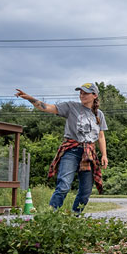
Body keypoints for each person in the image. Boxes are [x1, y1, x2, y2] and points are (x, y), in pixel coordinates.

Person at [15, 83, 108, 213]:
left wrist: (104, 155)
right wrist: (30, 99)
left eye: (86, 93)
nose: (82, 95)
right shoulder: (71, 107)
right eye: (81, 93)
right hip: (71, 151)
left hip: (89, 154)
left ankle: (74, 217)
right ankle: (51, 215)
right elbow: (48, 107)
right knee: (64, 185)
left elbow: (101, 136)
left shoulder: (99, 114)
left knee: (85, 192)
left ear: (94, 95)